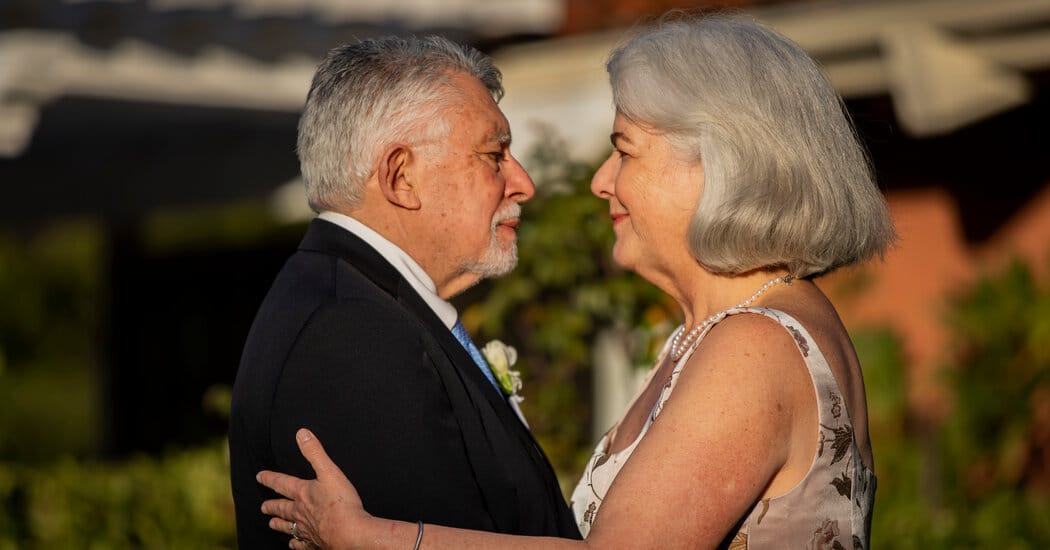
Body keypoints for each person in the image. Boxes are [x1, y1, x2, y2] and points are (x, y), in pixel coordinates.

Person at [256, 11, 896, 550]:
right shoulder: (717, 335)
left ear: (715, 165)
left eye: (623, 149)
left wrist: (378, 538)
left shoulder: (752, 347)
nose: (600, 180)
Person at [228, 35, 582, 548]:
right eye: (494, 154)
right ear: (401, 178)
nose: (523, 182)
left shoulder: (356, 302)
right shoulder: (351, 334)